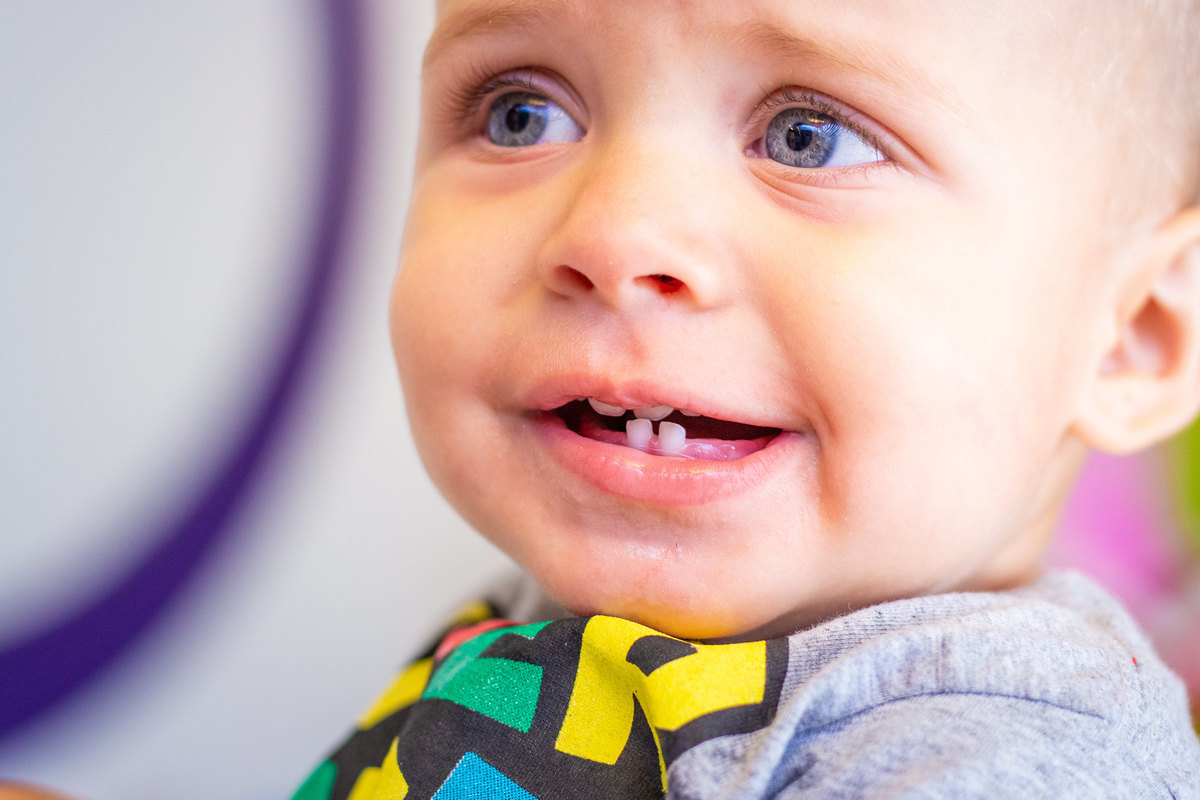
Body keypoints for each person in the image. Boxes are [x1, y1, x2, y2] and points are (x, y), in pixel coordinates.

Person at [293, 0, 1200, 797]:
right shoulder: (538, 625)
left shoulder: (1001, 761)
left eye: (809, 136)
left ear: (1130, 338)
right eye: (520, 114)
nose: (612, 231)